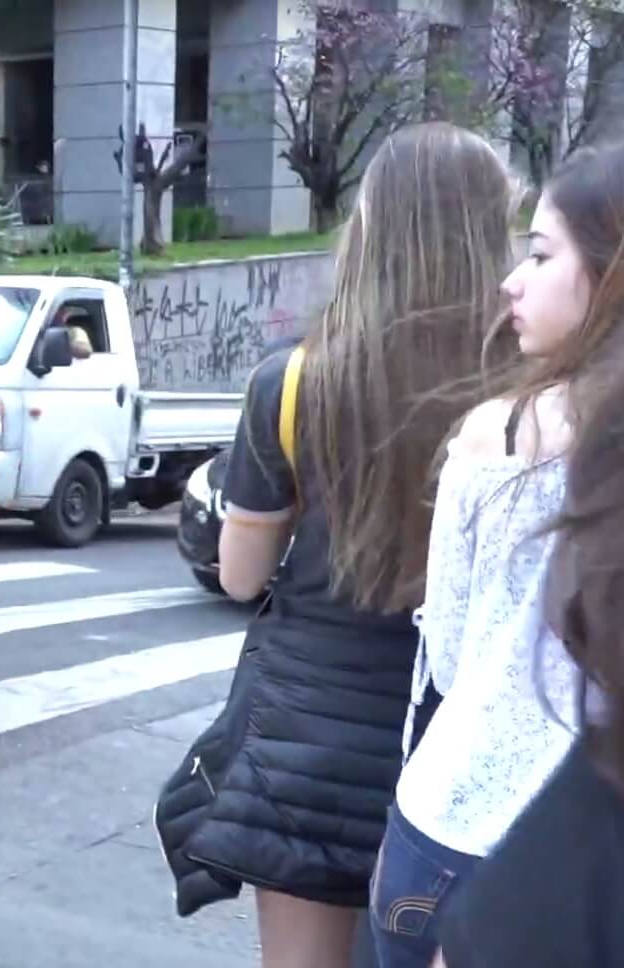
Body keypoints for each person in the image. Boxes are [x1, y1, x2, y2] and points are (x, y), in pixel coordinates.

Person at [153, 123, 519, 968]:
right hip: (458, 751)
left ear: (368, 231)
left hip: (307, 751)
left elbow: (240, 577)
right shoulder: (529, 396)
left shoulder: (295, 384)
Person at [369, 144, 624, 968]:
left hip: (460, 823)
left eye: (542, 254)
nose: (511, 280)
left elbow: (446, 652)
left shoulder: (503, 431)